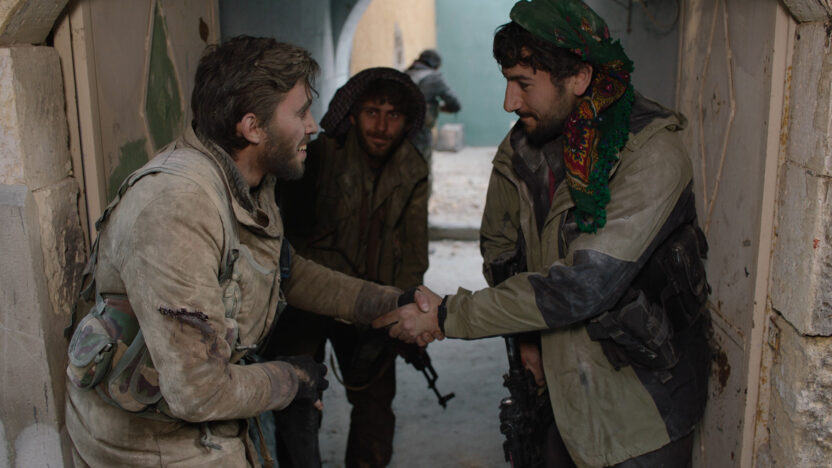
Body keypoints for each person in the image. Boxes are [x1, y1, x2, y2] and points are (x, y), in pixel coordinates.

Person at [375, 1, 711, 466]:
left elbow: (583, 284)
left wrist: (449, 315)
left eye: (524, 84)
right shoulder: (521, 149)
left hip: (639, 416)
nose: (509, 102)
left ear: (579, 78)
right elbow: (500, 251)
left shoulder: (651, 155)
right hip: (556, 396)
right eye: (507, 81)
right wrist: (527, 341)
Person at [64, 36, 406, 467]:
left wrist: (386, 302)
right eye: (301, 112)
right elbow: (199, 392)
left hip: (197, 423)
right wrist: (291, 379)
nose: (313, 126)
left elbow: (283, 270)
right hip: (151, 445)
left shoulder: (248, 180)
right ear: (252, 127)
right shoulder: (177, 208)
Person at [267, 67, 429, 468]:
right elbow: (284, 227)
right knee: (297, 398)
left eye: (393, 115)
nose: (381, 126)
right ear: (353, 114)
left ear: (407, 121)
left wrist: (406, 307)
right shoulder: (321, 154)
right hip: (306, 297)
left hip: (372, 300)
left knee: (375, 402)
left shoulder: (412, 169)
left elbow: (414, 248)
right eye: (372, 112)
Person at [405, 49, 461, 163]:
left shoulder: (405, 73)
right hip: (421, 131)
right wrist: (439, 107)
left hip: (399, 129)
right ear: (434, 64)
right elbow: (455, 104)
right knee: (421, 166)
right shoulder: (434, 78)